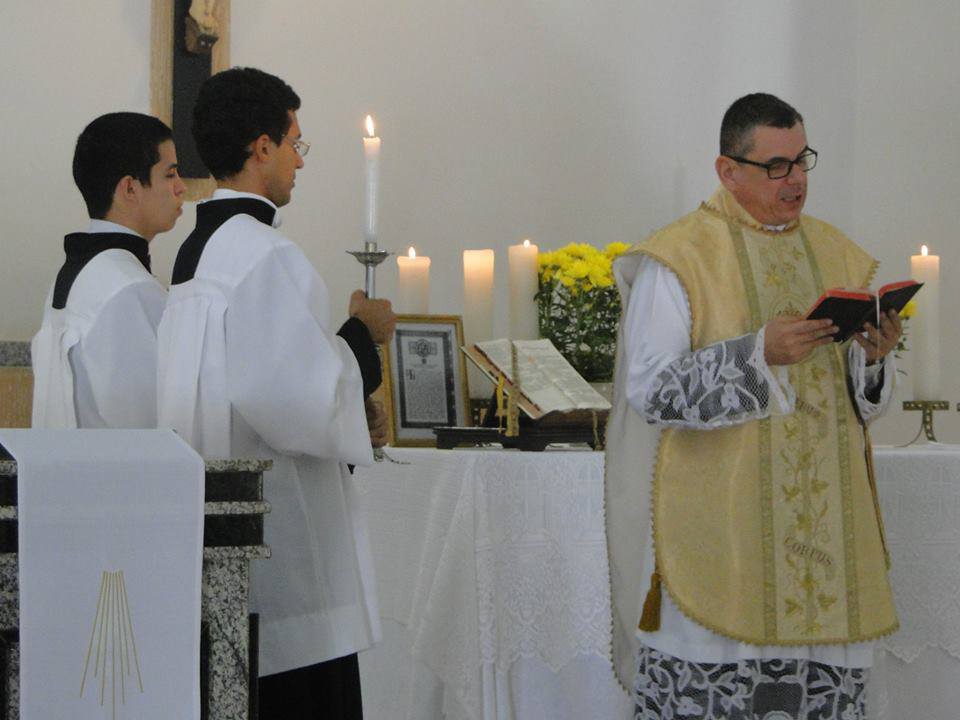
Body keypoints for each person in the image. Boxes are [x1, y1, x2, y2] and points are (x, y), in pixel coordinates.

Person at [605, 93, 902, 720]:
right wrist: (755, 354)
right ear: (727, 170)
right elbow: (650, 391)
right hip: (722, 545)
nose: (795, 180)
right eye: (775, 166)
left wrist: (873, 361)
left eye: (801, 160)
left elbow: (854, 406)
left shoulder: (837, 254)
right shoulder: (679, 258)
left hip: (825, 552)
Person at [156, 67, 395, 719]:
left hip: (213, 547)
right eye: (295, 143)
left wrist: (351, 399)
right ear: (262, 147)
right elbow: (300, 402)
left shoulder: (196, 253)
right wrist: (364, 335)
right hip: (277, 562)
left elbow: (257, 383)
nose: (300, 160)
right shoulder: (264, 255)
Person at [31, 112, 185, 428]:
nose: (181, 188)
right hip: (118, 460)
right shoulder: (129, 288)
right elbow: (155, 426)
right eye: (170, 175)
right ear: (130, 188)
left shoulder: (78, 274)